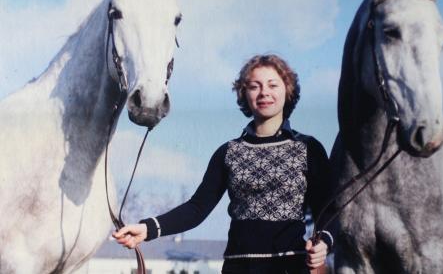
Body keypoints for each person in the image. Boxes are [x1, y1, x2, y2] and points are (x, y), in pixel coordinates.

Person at [113, 54, 334, 274]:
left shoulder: (308, 148)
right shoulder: (228, 152)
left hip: (291, 267)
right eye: (254, 86)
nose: (264, 92)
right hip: (238, 267)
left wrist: (324, 242)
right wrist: (147, 228)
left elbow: (328, 211)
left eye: (272, 85)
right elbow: (197, 208)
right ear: (244, 93)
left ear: (288, 90)